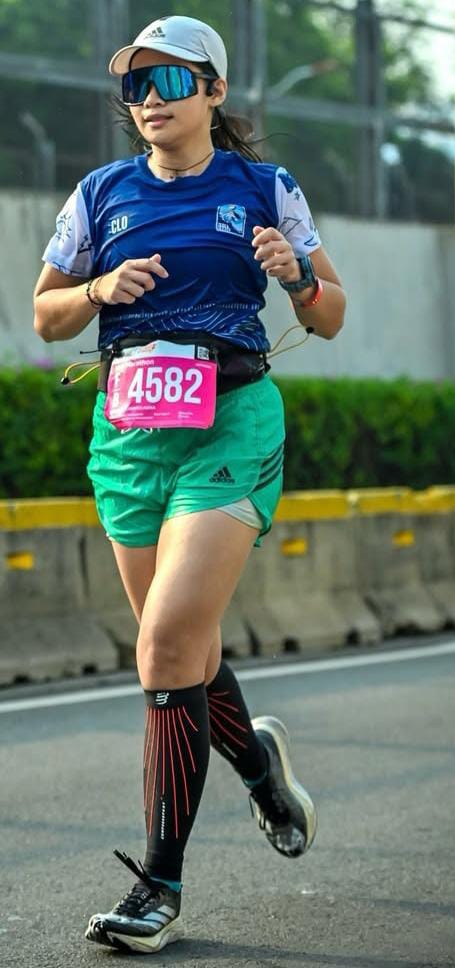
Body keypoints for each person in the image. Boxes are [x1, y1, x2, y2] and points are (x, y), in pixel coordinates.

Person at [33, 14, 346, 955]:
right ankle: (261, 771)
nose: (151, 100)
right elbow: (46, 315)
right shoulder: (100, 194)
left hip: (231, 423)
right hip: (130, 436)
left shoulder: (264, 188)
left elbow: (331, 313)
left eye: (171, 81)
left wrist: (297, 279)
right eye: (136, 85)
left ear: (214, 91)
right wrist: (98, 290)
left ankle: (158, 889)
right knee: (182, 653)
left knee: (167, 642)